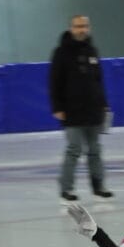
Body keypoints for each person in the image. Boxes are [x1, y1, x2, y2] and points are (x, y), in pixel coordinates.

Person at [49, 14, 112, 202]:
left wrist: (104, 104)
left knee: (95, 150)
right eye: (77, 26)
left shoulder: (92, 50)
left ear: (89, 27)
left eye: (84, 26)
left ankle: (98, 186)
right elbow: (54, 82)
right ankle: (66, 189)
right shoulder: (61, 52)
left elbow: (98, 80)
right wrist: (57, 107)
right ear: (71, 28)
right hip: (72, 111)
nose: (81, 29)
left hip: (93, 111)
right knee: (74, 149)